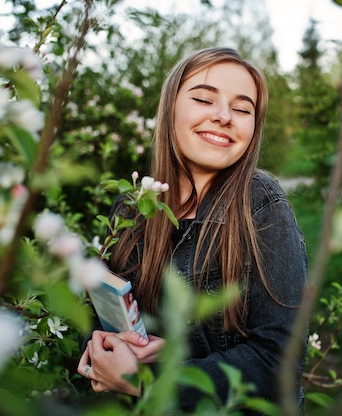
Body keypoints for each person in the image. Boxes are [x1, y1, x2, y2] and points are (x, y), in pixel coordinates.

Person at [77, 47, 308, 412]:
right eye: (203, 99)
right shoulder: (132, 208)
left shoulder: (261, 205)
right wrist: (101, 350)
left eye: (242, 109)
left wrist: (152, 379)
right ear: (170, 108)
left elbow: (278, 362)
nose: (223, 116)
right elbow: (95, 317)